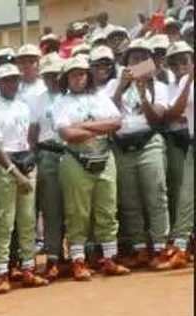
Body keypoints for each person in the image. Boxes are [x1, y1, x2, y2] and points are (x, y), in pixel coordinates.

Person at [54, 54, 129, 280]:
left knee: (107, 209)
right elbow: (68, 134)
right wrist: (99, 127)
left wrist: (84, 125)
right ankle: (78, 260)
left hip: (104, 156)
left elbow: (116, 123)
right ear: (66, 78)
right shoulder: (61, 102)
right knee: (78, 212)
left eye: (82, 74)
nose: (79, 78)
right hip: (76, 159)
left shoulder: (100, 97)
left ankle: (109, 258)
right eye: (74, 75)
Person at [111, 38, 172, 270]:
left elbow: (156, 118)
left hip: (149, 143)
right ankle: (139, 249)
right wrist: (121, 87)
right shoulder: (114, 84)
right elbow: (107, 111)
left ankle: (160, 247)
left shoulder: (160, 86)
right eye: (133, 59)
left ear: (150, 62)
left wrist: (142, 93)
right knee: (130, 200)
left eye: (142, 59)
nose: (137, 63)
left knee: (156, 196)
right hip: (124, 146)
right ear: (125, 62)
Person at [0, 62, 42, 291]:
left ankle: (28, 268)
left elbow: (28, 138)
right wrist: (15, 173)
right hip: (4, 166)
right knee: (4, 222)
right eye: (7, 80)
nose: (12, 84)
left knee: (27, 220)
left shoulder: (22, 106)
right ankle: (0, 272)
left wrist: (29, 163)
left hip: (24, 162)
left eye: (15, 79)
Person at [29, 53, 69, 280]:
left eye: (56, 75)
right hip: (48, 154)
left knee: (74, 207)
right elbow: (32, 134)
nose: (52, 79)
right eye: (47, 76)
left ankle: (78, 254)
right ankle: (54, 256)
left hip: (72, 152)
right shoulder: (38, 100)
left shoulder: (71, 96)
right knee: (51, 208)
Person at [161, 41, 194, 267]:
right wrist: (190, 80)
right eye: (175, 61)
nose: (181, 64)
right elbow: (174, 112)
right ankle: (181, 248)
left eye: (185, 59)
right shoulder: (184, 82)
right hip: (191, 142)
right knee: (186, 196)